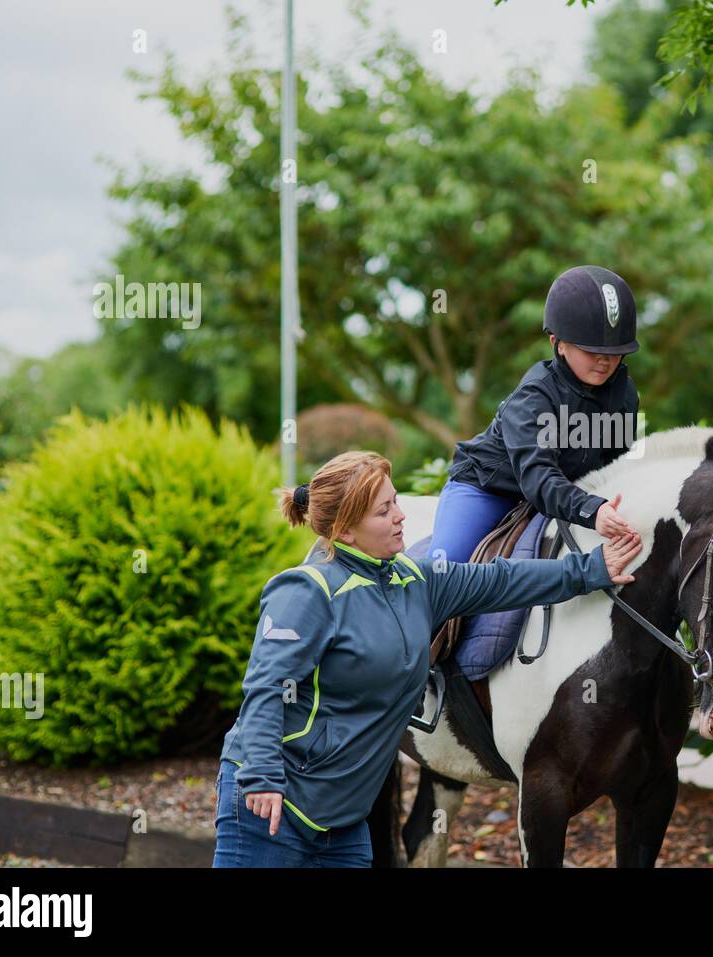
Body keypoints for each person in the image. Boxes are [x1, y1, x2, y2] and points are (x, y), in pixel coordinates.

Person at [212, 449, 641, 867]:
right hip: (272, 804)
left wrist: (591, 569)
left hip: (343, 823)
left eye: (395, 501)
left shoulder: (417, 581)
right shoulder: (308, 592)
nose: (400, 515)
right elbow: (267, 688)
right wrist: (264, 776)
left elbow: (502, 579)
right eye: (383, 511)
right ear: (344, 531)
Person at [431, 264, 643, 565]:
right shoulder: (534, 397)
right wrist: (591, 510)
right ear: (558, 344)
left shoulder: (624, 394)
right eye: (591, 350)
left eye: (613, 352)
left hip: (567, 493)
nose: (604, 361)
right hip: (490, 491)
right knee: (444, 570)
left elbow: (618, 465)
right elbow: (539, 478)